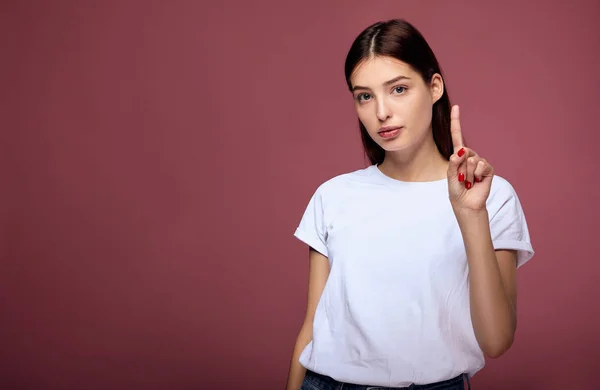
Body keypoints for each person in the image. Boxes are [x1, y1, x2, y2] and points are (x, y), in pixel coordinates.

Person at [285, 19, 535, 390]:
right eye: (364, 96)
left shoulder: (491, 197)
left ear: (435, 87)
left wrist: (470, 216)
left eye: (398, 89)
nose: (381, 112)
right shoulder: (333, 196)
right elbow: (311, 327)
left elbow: (497, 340)